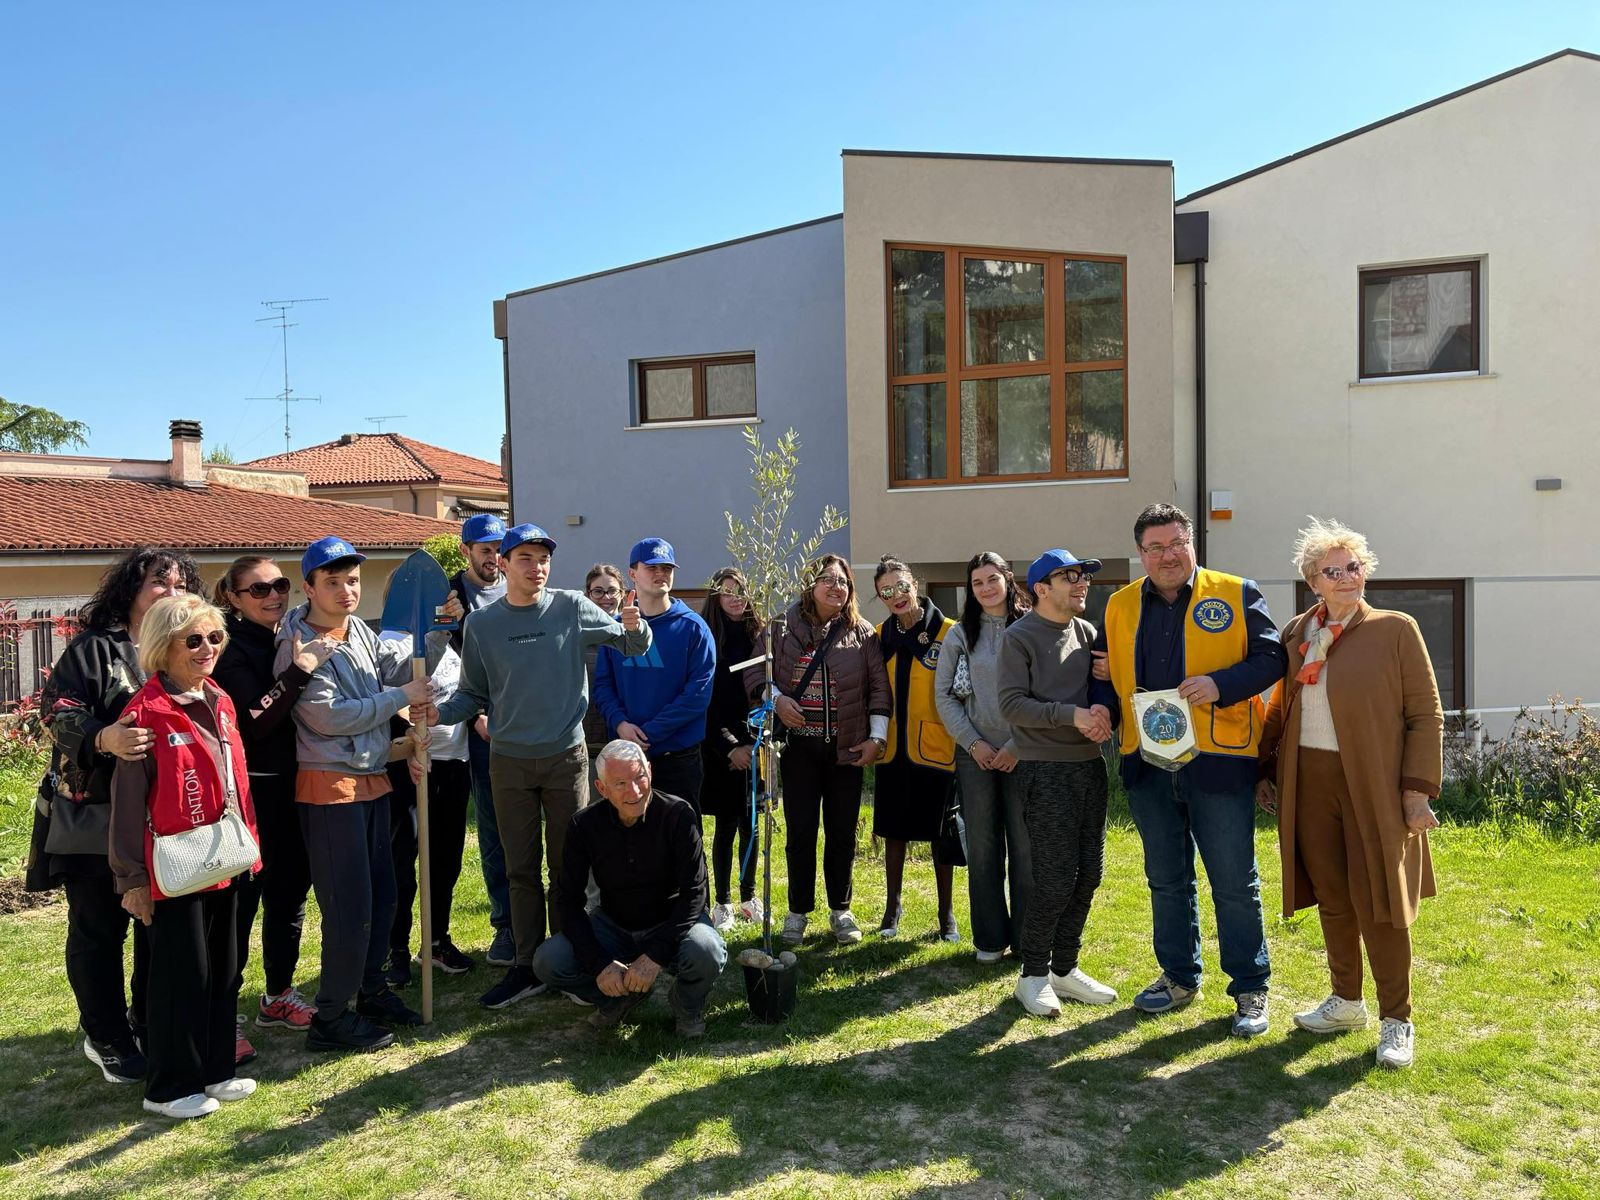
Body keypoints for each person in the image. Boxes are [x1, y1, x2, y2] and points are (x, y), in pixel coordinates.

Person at [430, 524, 651, 1010]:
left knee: (568, 867)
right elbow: (472, 693)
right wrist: (438, 714)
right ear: (504, 564)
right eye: (525, 558)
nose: (537, 567)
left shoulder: (571, 606)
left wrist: (637, 625)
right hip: (508, 761)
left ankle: (569, 960)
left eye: (543, 558)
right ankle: (527, 966)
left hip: (565, 758)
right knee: (520, 869)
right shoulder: (482, 625)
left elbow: (632, 645)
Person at [1089, 503, 1287, 1038]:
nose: (1167, 555)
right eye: (1154, 547)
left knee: (1233, 881)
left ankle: (1250, 986)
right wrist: (1103, 707)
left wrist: (1222, 684)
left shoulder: (1237, 592)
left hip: (1218, 763)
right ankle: (1179, 977)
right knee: (1166, 880)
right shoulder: (1119, 604)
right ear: (1140, 554)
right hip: (1148, 764)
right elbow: (1105, 674)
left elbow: (1273, 659)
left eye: (1176, 543)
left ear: (1192, 542)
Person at [1258, 518, 1443, 1069]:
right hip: (1309, 779)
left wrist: (1417, 791)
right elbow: (1278, 708)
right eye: (1331, 571)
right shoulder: (1298, 633)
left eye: (1353, 567)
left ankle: (1397, 1020)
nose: (1345, 578)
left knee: (1381, 900)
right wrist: (1266, 770)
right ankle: (1345, 1001)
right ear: (1313, 580)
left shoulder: (1395, 629)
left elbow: (1425, 715)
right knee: (1333, 895)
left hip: (1373, 782)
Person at [27, 546, 203, 1087]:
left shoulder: (188, 651)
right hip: (94, 818)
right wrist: (104, 736)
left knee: (159, 931)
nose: (170, 594)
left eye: (180, 585)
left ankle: (149, 1023)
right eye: (158, 583)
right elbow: (53, 711)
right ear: (130, 592)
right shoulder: (95, 650)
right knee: (99, 931)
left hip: (167, 820)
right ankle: (104, 1034)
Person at [274, 536, 432, 1052]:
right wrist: (399, 699)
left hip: (371, 779)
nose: (346, 590)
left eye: (353, 580)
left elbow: (402, 662)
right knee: (349, 907)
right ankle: (331, 1017)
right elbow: (325, 716)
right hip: (328, 787)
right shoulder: (296, 643)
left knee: (383, 896)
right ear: (310, 586)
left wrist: (441, 631)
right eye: (334, 582)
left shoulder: (358, 629)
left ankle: (370, 990)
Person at [109, 594, 262, 1119]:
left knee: (224, 971)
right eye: (192, 640)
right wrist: (131, 879)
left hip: (225, 856)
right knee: (180, 977)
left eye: (214, 638)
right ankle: (169, 1088)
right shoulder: (144, 712)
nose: (207, 648)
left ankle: (216, 1070)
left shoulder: (219, 698)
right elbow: (127, 803)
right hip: (172, 867)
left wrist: (252, 847)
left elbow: (235, 784)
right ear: (161, 646)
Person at [212, 556, 337, 1037]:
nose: (273, 596)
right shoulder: (228, 650)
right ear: (234, 598)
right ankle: (224, 1015)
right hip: (250, 796)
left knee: (290, 898)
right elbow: (257, 720)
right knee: (240, 907)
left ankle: (279, 995)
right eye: (258, 590)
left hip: (296, 788)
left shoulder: (290, 634)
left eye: (279, 585)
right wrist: (303, 667)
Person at [532, 740, 727, 1038]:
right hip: (614, 925)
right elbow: (568, 900)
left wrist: (653, 958)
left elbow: (695, 894)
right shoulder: (583, 826)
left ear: (650, 771)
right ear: (601, 787)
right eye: (621, 783)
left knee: (707, 949)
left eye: (639, 778)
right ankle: (617, 998)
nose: (634, 792)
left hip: (672, 922)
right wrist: (599, 964)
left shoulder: (678, 815)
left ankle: (687, 1005)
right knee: (548, 960)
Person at [747, 554, 891, 947]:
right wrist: (777, 700)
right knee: (801, 832)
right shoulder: (779, 628)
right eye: (827, 579)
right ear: (810, 584)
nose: (836, 587)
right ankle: (797, 911)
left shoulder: (862, 634)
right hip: (798, 752)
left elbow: (879, 688)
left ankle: (840, 910)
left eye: (843, 581)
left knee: (842, 832)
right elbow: (755, 673)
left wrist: (876, 738)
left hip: (846, 751)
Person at [998, 550, 1118, 1017]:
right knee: (1053, 879)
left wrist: (1104, 704)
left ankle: (1064, 970)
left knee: (1089, 874)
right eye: (1068, 576)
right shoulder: (1019, 637)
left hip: (1089, 766)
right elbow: (1011, 706)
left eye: (1084, 575)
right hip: (1044, 769)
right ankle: (1032, 976)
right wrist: (1073, 715)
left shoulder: (1087, 633)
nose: (1081, 583)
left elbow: (1098, 694)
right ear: (1040, 590)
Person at [934, 552, 1030, 965]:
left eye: (993, 579)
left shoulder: (1030, 627)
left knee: (1026, 850)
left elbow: (1045, 693)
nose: (987, 588)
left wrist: (1016, 745)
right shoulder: (959, 635)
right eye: (978, 583)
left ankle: (1029, 940)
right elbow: (943, 697)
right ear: (970, 590)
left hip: (1023, 754)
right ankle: (990, 940)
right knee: (984, 848)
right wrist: (974, 744)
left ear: (1008, 580)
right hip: (974, 755)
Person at [381, 618, 476, 982]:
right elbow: (391, 698)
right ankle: (396, 951)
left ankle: (435, 941)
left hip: (454, 762)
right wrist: (409, 744)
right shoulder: (391, 642)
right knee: (402, 863)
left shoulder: (448, 641)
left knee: (445, 862)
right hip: (411, 766)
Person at [870, 556, 959, 941]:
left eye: (901, 586)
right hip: (892, 749)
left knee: (941, 834)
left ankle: (946, 914)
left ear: (915, 583)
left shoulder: (949, 632)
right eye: (886, 591)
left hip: (938, 747)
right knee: (894, 832)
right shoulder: (877, 637)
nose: (897, 596)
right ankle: (892, 908)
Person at [594, 538, 716, 812]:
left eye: (667, 568)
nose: (661, 574)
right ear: (633, 574)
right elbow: (603, 685)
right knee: (630, 841)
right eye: (652, 567)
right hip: (626, 756)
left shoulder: (694, 628)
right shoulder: (615, 629)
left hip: (678, 757)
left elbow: (697, 695)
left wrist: (647, 734)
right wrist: (620, 723)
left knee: (682, 841)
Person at [446, 513, 514, 968]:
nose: (493, 558)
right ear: (466, 550)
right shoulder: (447, 598)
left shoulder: (522, 590)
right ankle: (506, 927)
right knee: (495, 835)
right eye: (484, 549)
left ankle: (556, 924)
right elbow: (442, 670)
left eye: (498, 550)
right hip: (483, 732)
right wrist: (476, 716)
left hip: (531, 729)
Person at [699, 567, 761, 931]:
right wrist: (731, 748)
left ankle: (749, 896)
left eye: (741, 591)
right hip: (720, 744)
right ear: (715, 597)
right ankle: (722, 902)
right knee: (726, 826)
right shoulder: (708, 638)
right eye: (727, 592)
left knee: (751, 823)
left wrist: (755, 744)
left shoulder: (761, 637)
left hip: (757, 743)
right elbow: (706, 704)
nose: (736, 598)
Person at [582, 564, 627, 769]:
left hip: (624, 739)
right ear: (588, 594)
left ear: (623, 594)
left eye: (612, 591)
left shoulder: (632, 638)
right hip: (585, 740)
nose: (605, 597)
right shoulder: (576, 635)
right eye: (598, 591)